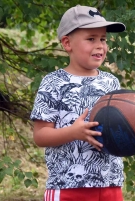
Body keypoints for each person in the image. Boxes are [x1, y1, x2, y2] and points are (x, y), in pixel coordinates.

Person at [30, 5, 127, 201]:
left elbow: (120, 129)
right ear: (67, 43)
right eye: (91, 39)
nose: (100, 45)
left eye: (103, 39)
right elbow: (40, 136)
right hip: (67, 186)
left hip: (110, 184)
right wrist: (73, 133)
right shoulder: (53, 82)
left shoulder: (111, 82)